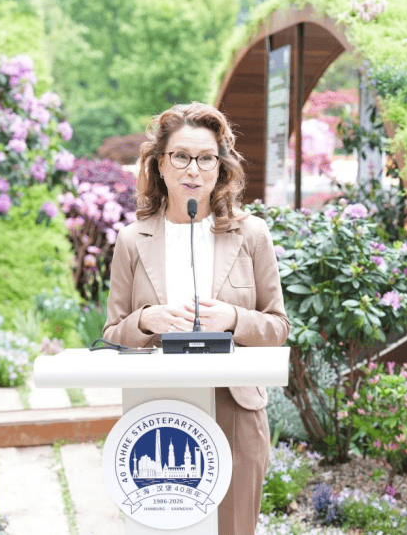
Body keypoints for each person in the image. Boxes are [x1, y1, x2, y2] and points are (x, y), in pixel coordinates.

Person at [103, 101, 291, 534]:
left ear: (221, 167)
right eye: (182, 157)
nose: (194, 170)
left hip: (236, 406)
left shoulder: (252, 234)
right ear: (160, 164)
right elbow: (113, 334)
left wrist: (233, 319)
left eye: (207, 158)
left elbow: (278, 327)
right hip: (157, 409)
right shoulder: (133, 240)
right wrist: (146, 321)